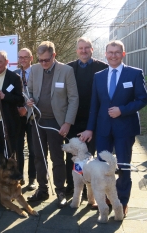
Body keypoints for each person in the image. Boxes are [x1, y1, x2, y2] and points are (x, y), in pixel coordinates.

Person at [79, 40, 147, 217]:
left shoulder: (134, 74)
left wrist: (122, 110)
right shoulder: (99, 76)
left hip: (125, 128)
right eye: (110, 52)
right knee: (102, 167)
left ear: (123, 54)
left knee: (123, 166)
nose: (113, 55)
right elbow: (94, 105)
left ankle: (122, 201)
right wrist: (89, 129)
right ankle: (107, 200)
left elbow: (142, 99)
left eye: (117, 52)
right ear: (105, 54)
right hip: (103, 129)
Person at [26, 41, 78, 208]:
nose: (43, 64)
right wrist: (29, 100)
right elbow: (29, 91)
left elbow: (74, 98)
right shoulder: (34, 69)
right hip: (38, 120)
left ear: (54, 56)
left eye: (46, 60)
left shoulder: (66, 71)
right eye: (40, 60)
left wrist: (67, 123)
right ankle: (42, 189)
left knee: (57, 157)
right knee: (39, 156)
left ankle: (60, 190)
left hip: (56, 122)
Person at [65, 37, 108, 196]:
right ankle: (71, 185)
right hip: (73, 119)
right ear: (76, 50)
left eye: (87, 48)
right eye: (80, 48)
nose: (83, 51)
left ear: (92, 49)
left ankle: (88, 189)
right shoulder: (68, 68)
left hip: (94, 119)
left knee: (90, 155)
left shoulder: (103, 67)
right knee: (73, 154)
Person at [13, 48, 36, 189]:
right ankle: (19, 177)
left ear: (31, 58)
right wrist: (17, 109)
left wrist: (26, 109)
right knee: (18, 149)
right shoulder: (14, 74)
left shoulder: (38, 72)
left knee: (33, 149)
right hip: (17, 117)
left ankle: (33, 179)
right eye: (20, 57)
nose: (23, 60)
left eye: (25, 57)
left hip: (33, 116)